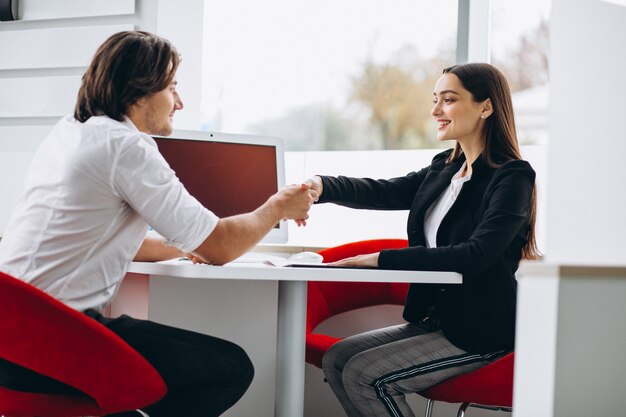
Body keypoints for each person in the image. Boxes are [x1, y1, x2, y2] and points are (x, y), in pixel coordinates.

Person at [0, 31, 317, 417]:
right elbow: (221, 247)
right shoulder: (126, 146)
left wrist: (182, 246)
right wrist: (277, 208)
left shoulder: (71, 132)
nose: (179, 102)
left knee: (164, 383)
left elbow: (100, 239)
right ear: (138, 92)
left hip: (13, 339)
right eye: (171, 88)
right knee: (228, 368)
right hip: (53, 342)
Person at [305, 63, 538, 417]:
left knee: (365, 375)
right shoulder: (444, 168)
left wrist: (381, 259)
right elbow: (384, 192)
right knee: (338, 357)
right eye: (435, 100)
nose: (435, 110)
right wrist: (321, 186)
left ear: (486, 107)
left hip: (483, 331)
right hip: (436, 321)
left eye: (449, 99)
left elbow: (476, 255)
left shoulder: (512, 177)